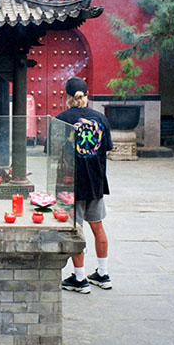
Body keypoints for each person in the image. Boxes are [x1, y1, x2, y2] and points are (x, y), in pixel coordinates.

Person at [56, 77, 113, 294]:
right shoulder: (101, 119)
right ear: (86, 95)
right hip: (96, 182)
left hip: (71, 184)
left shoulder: (62, 120)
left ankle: (80, 278)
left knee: (75, 230)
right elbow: (105, 148)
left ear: (67, 97)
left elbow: (52, 152)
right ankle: (103, 274)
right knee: (97, 226)